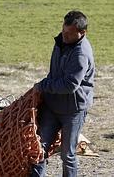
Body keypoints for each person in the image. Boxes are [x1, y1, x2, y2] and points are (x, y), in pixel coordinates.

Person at [31, 10, 95, 177]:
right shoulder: (61, 41)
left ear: (82, 33)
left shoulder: (81, 54)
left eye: (69, 34)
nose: (64, 36)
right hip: (52, 106)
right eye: (63, 31)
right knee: (38, 148)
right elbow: (54, 73)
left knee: (68, 154)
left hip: (73, 111)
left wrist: (43, 86)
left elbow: (70, 85)